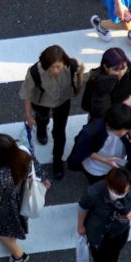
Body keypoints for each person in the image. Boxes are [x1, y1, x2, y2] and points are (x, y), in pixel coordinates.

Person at [0, 134, 50, 262]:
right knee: (14, 224)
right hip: (22, 199)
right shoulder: (25, 154)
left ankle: (19, 255)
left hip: (5, 207)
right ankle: (13, 237)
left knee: (0, 232)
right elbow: (38, 170)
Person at [18, 45, 84, 179]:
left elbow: (80, 69)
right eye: (51, 67)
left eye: (58, 66)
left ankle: (57, 160)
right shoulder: (35, 72)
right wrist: (28, 114)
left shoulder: (71, 64)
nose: (54, 70)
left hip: (63, 100)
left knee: (60, 131)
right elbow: (27, 94)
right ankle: (41, 129)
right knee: (42, 119)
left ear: (63, 63)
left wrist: (79, 86)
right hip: (41, 101)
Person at [68, 104, 131, 185]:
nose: (124, 133)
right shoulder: (91, 131)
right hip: (95, 168)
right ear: (109, 125)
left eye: (126, 130)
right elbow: (83, 151)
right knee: (98, 186)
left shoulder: (128, 123)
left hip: (117, 165)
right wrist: (105, 161)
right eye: (121, 130)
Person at [85, 47, 131, 120]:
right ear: (105, 67)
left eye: (123, 68)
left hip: (124, 113)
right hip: (105, 118)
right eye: (116, 69)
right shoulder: (96, 81)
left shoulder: (129, 69)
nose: (121, 73)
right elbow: (86, 105)